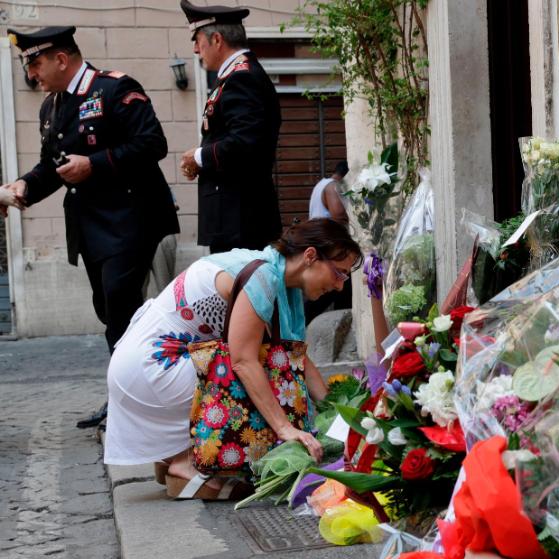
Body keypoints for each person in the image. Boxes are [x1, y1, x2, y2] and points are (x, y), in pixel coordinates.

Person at [102, 219, 362, 499]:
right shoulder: (262, 278)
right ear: (310, 256)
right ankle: (186, 464)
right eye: (339, 273)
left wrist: (336, 414)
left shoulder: (269, 268)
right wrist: (285, 429)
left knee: (275, 362)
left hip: (145, 364)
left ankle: (176, 454)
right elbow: (244, 362)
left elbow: (296, 355)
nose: (339, 286)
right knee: (263, 368)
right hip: (153, 369)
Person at [0, 26, 179, 429]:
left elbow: (153, 144)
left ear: (61, 59)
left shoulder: (115, 89)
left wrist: (93, 164)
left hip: (131, 219)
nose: (32, 74)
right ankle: (127, 395)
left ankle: (136, 403)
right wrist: (26, 185)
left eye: (35, 63)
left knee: (121, 304)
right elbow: (53, 166)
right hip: (90, 228)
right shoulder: (51, 107)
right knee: (109, 311)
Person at [178, 0, 282, 254]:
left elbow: (246, 141)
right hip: (236, 217)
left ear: (216, 40)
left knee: (241, 291)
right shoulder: (234, 76)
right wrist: (201, 162)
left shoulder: (241, 77)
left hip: (241, 218)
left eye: (197, 40)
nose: (195, 49)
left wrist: (199, 156)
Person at [304, 161, 352, 322]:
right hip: (329, 249)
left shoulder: (321, 184)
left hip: (323, 245)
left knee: (339, 290)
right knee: (331, 290)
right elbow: (338, 215)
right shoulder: (333, 186)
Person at [308, 160, 350, 226]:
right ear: (347, 176)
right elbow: (339, 217)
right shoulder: (332, 186)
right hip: (325, 233)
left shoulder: (321, 183)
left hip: (318, 231)